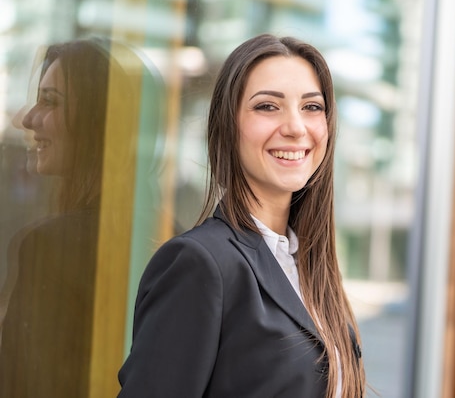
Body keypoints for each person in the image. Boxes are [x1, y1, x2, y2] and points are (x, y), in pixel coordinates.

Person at [117, 34, 366, 398]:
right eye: (267, 106)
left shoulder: (309, 267)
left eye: (311, 107)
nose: (296, 127)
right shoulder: (200, 264)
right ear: (228, 127)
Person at [0, 37, 164, 397]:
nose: (28, 118)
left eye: (49, 101)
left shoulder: (48, 246)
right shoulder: (175, 239)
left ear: (97, 122)